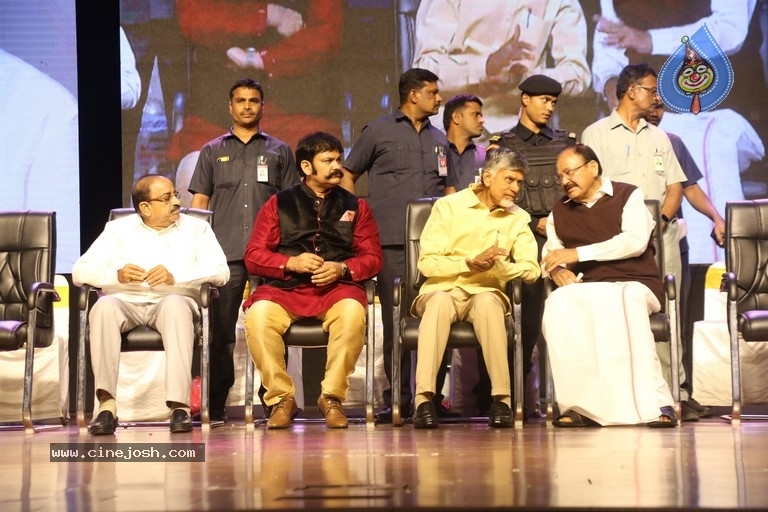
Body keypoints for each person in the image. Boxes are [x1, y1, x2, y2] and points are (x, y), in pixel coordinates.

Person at [243, 132, 383, 429]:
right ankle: (282, 399)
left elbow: (373, 258)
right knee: (258, 317)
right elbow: (254, 255)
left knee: (352, 313)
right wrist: (290, 262)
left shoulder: (356, 205)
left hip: (336, 290)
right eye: (328, 160)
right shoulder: (278, 203)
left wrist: (342, 268)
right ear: (307, 167)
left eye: (338, 159)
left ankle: (331, 398)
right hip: (285, 290)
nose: (337, 166)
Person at [72, 174, 230, 435]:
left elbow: (221, 272)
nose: (177, 202)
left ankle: (179, 407)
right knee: (103, 308)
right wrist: (116, 275)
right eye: (167, 198)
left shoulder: (197, 229)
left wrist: (176, 277)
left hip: (173, 300)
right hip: (126, 301)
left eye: (175, 195)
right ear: (145, 207)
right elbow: (80, 271)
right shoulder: (117, 230)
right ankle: (106, 407)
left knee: (175, 305)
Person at [341, 68, 450, 423]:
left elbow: (449, 188)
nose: (439, 99)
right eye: (433, 92)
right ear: (414, 95)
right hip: (390, 242)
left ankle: (430, 398)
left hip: (436, 245)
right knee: (396, 323)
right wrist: (357, 218)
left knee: (440, 318)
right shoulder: (377, 131)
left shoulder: (440, 138)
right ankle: (399, 400)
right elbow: (348, 174)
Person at [186, 78, 298, 422]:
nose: (247, 106)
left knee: (271, 330)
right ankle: (215, 405)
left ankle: (276, 403)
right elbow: (200, 203)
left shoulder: (280, 151)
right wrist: (196, 250)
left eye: (253, 100)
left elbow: (292, 206)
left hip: (269, 256)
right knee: (219, 335)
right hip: (225, 255)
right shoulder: (211, 151)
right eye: (240, 100)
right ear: (230, 106)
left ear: (263, 106)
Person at [541, 143, 676, 427]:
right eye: (560, 176)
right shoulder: (559, 211)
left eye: (569, 172)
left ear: (593, 167)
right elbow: (551, 254)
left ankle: (657, 402)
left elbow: (634, 241)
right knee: (557, 304)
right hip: (589, 287)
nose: (565, 181)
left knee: (624, 299)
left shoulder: (628, 195)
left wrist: (578, 254)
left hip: (635, 282)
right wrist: (557, 270)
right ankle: (580, 406)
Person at [581, 63, 687, 409]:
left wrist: (663, 219)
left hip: (661, 235)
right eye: (651, 90)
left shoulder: (659, 137)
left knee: (668, 311)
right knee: (618, 314)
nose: (655, 97)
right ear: (631, 91)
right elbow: (592, 188)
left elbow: (675, 185)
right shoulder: (596, 134)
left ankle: (675, 393)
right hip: (620, 239)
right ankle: (622, 393)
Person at [411, 147, 540, 429]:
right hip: (442, 288)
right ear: (487, 177)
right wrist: (468, 263)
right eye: (509, 180)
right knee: (439, 302)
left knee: (488, 304)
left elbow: (532, 270)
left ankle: (502, 400)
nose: (515, 188)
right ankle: (423, 400)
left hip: (486, 290)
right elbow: (427, 263)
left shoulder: (518, 218)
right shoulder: (449, 206)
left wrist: (498, 268)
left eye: (519, 182)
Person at [482, 74, 576, 418]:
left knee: (570, 318)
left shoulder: (566, 144)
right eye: (543, 100)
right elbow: (494, 196)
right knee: (524, 322)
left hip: (564, 240)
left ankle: (572, 397)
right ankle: (509, 396)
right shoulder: (503, 145)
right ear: (525, 99)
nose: (549, 107)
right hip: (522, 239)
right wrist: (533, 220)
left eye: (553, 102)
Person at [645, 101, 724, 421]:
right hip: (633, 242)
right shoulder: (610, 140)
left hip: (670, 241)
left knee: (675, 318)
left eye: (660, 106)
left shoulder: (671, 142)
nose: (655, 111)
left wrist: (716, 217)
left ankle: (680, 392)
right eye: (650, 103)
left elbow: (690, 188)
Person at [411, 0, 590, 137]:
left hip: (520, 134)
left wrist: (529, 80)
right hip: (452, 131)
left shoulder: (559, 3)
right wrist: (484, 68)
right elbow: (423, 73)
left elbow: (578, 74)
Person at [444, 94, 487, 194]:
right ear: (456, 117)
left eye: (481, 116)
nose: (482, 120)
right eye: (475, 114)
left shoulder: (485, 156)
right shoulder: (435, 153)